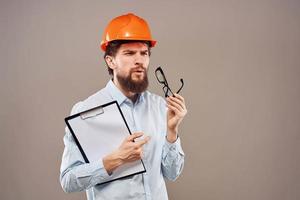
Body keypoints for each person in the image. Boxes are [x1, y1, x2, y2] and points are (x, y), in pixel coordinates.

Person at [60, 13, 187, 200]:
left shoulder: (160, 106)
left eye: (144, 53)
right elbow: (68, 181)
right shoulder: (86, 111)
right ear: (110, 61)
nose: (139, 60)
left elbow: (172, 173)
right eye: (129, 53)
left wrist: (172, 131)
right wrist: (114, 160)